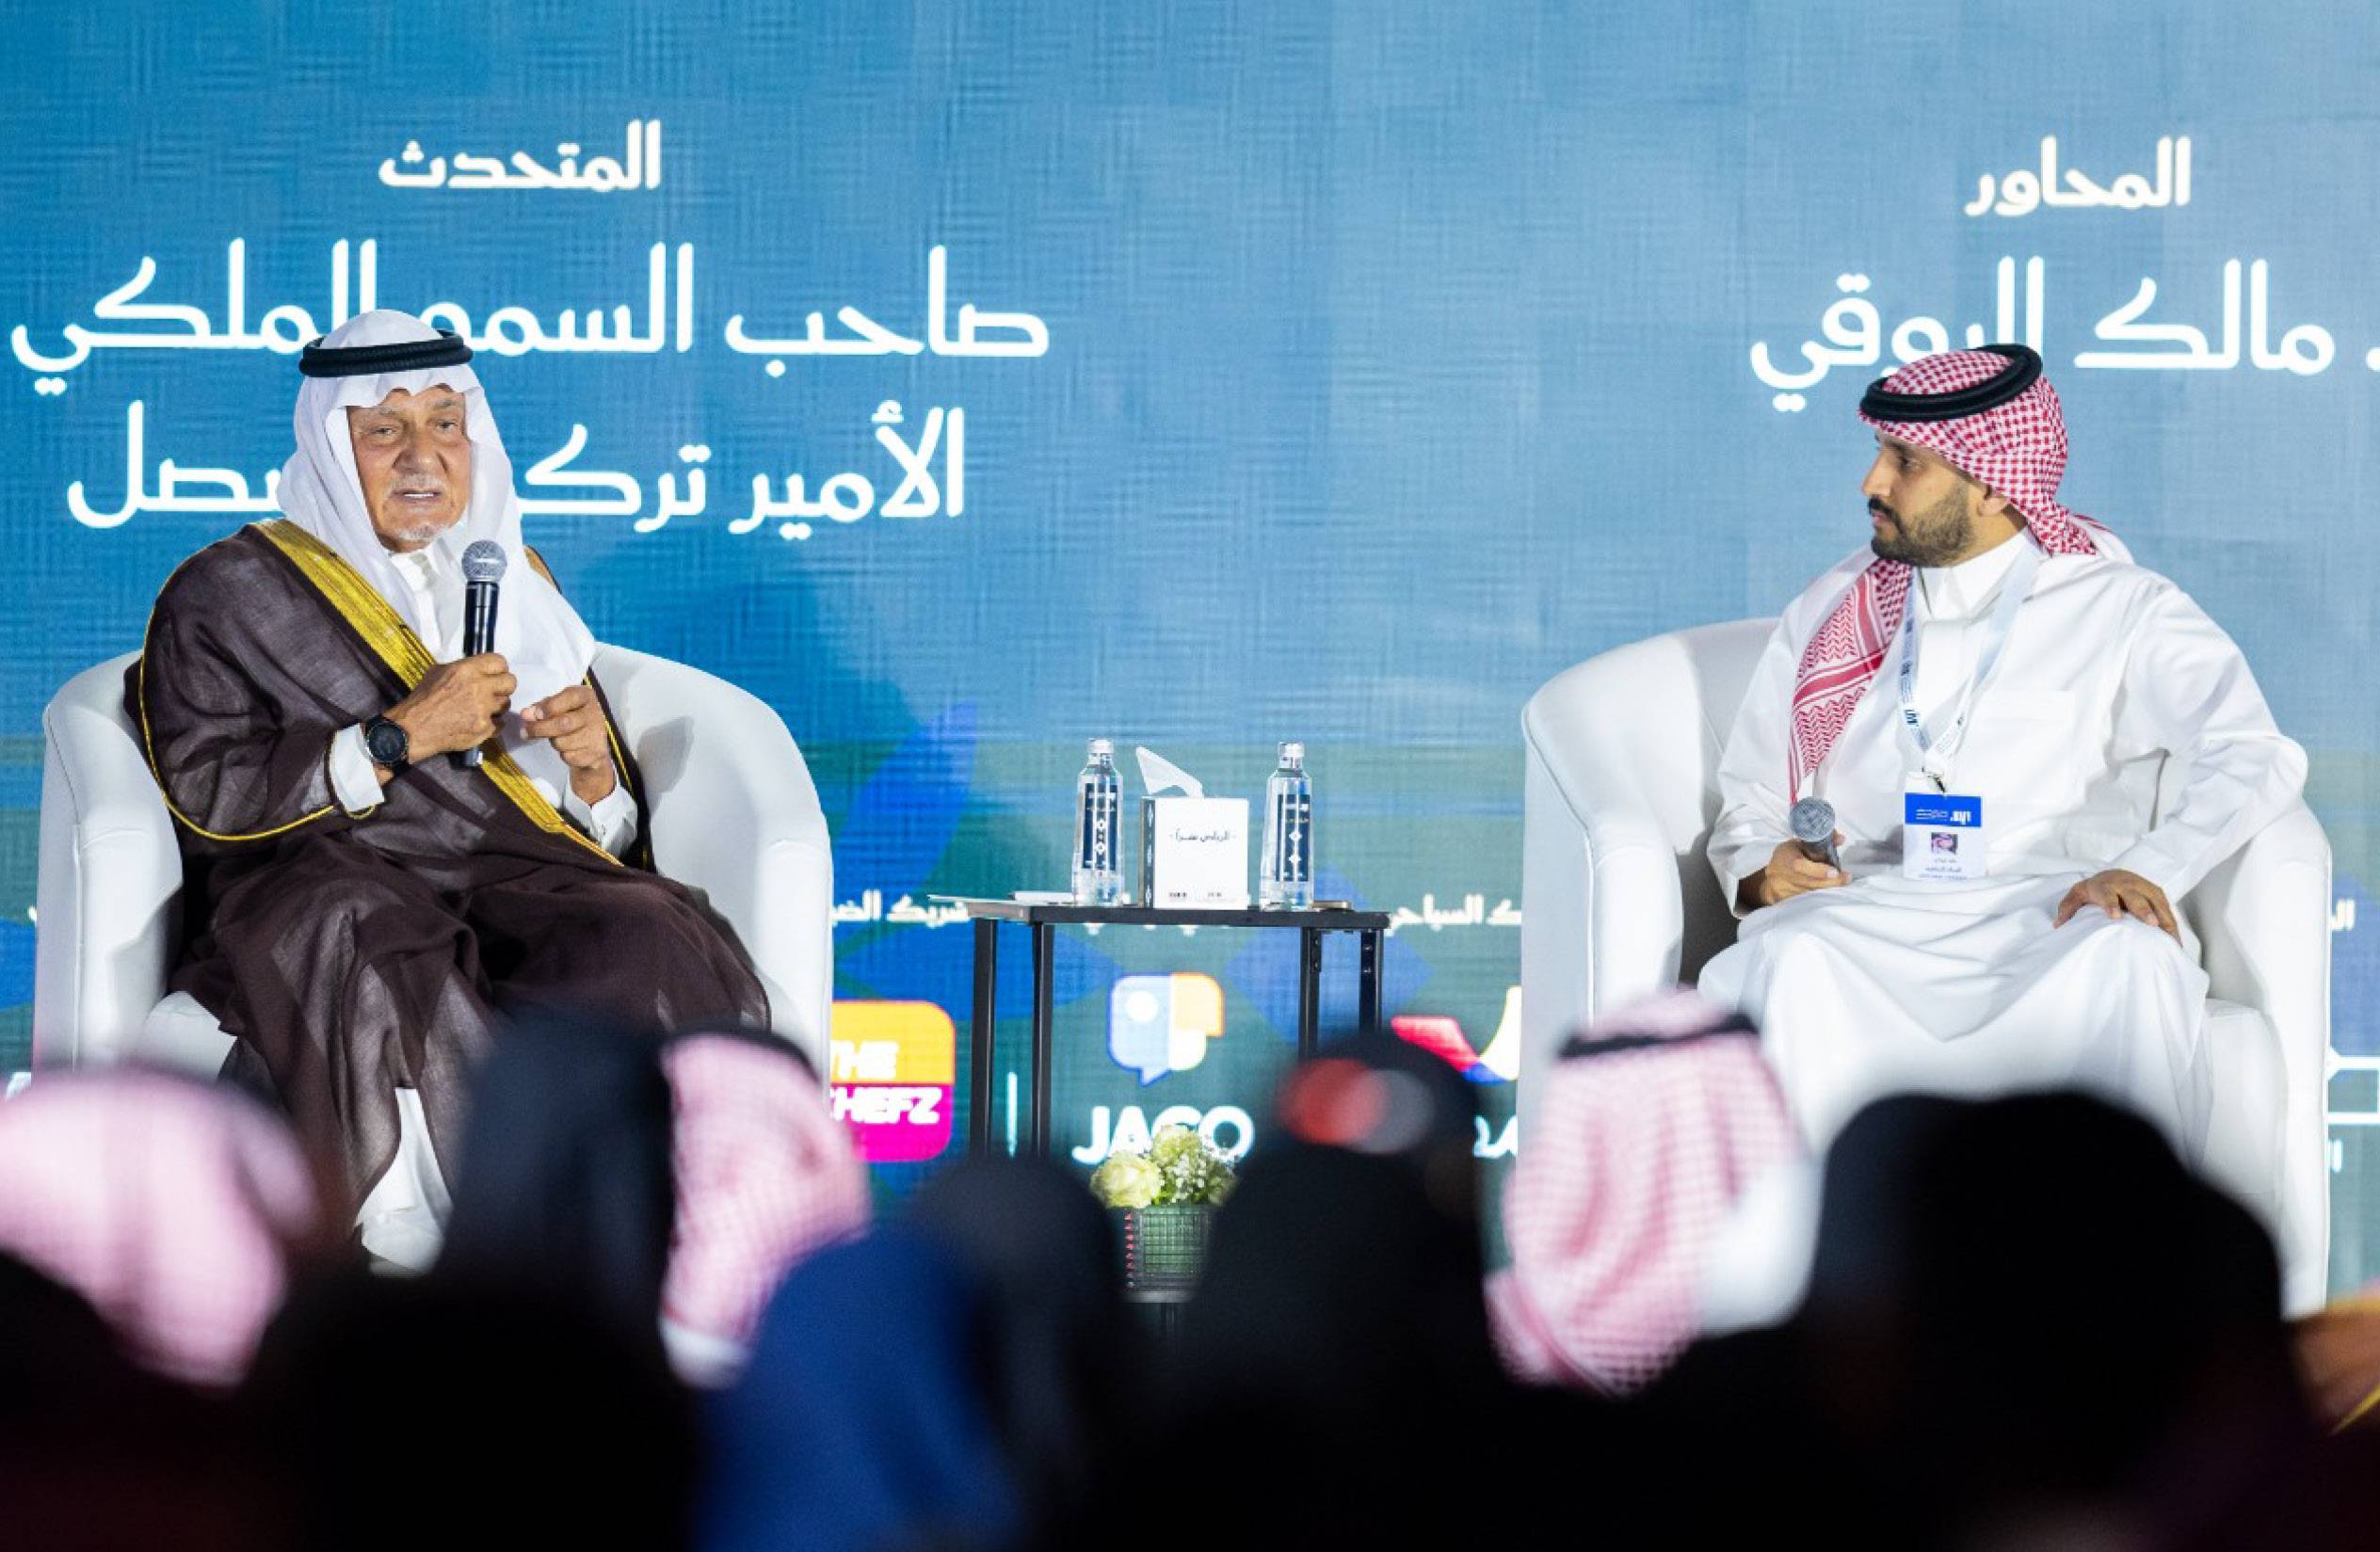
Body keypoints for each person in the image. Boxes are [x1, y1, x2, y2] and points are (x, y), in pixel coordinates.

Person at [130, 309, 767, 1262]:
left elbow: (577, 829)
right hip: (325, 869)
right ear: (332, 444)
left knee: (645, 929)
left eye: (445, 423)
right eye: (385, 429)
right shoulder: (225, 593)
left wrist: (594, 769)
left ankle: (649, 1232)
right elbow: (210, 791)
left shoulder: (514, 577)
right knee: (364, 933)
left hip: (508, 869)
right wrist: (397, 736)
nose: (421, 456)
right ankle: (440, 1249)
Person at [1698, 345, 2306, 1160]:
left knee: (2128, 961)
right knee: (1791, 956)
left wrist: (2151, 868)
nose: (1872, 482)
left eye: (1905, 461)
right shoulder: (1835, 611)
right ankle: (1825, 1245)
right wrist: (1760, 868)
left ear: (1992, 484)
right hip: (1867, 916)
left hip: (2054, 917)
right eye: (1880, 453)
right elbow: (1751, 789)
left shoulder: (2122, 608)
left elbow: (2252, 751)